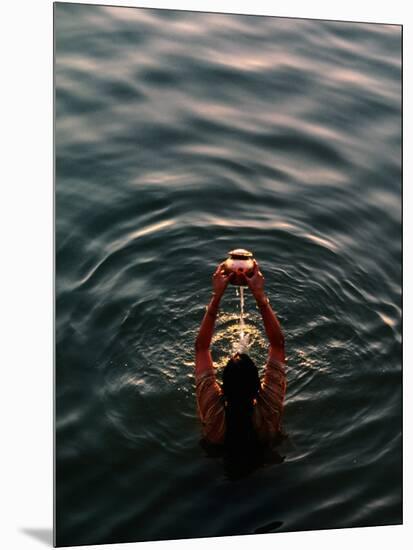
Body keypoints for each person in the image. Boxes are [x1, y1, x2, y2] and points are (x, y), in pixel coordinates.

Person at [194, 260, 287, 477]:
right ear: (258, 387)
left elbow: (201, 348)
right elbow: (277, 344)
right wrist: (260, 296)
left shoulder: (213, 412)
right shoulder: (268, 410)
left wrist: (216, 296)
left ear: (221, 388)